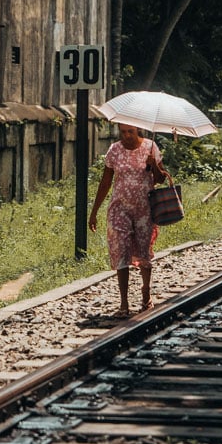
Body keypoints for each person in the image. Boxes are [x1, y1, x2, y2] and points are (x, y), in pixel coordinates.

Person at [88, 123, 166, 317]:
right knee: (120, 250)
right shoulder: (114, 150)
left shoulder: (150, 147)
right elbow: (106, 182)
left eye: (130, 132)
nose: (127, 136)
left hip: (144, 210)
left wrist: (153, 164)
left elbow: (161, 179)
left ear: (138, 130)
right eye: (123, 132)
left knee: (143, 251)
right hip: (119, 209)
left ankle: (146, 294)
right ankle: (124, 303)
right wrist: (94, 211)